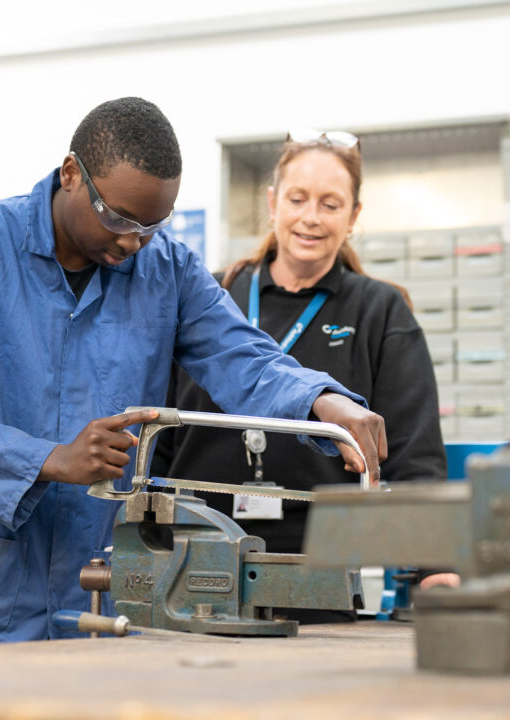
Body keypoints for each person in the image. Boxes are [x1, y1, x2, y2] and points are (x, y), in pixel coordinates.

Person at [0, 102, 387, 650]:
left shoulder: (166, 269)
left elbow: (245, 358)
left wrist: (324, 402)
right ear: (72, 174)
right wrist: (50, 459)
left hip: (92, 603)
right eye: (118, 218)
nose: (132, 242)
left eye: (152, 224)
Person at [151, 129, 459, 611]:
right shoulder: (210, 300)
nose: (311, 217)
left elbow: (413, 455)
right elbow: (163, 434)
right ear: (273, 202)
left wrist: (438, 566)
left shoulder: (380, 311)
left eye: (330, 204)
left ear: (354, 216)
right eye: (297, 199)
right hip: (191, 565)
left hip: (318, 577)